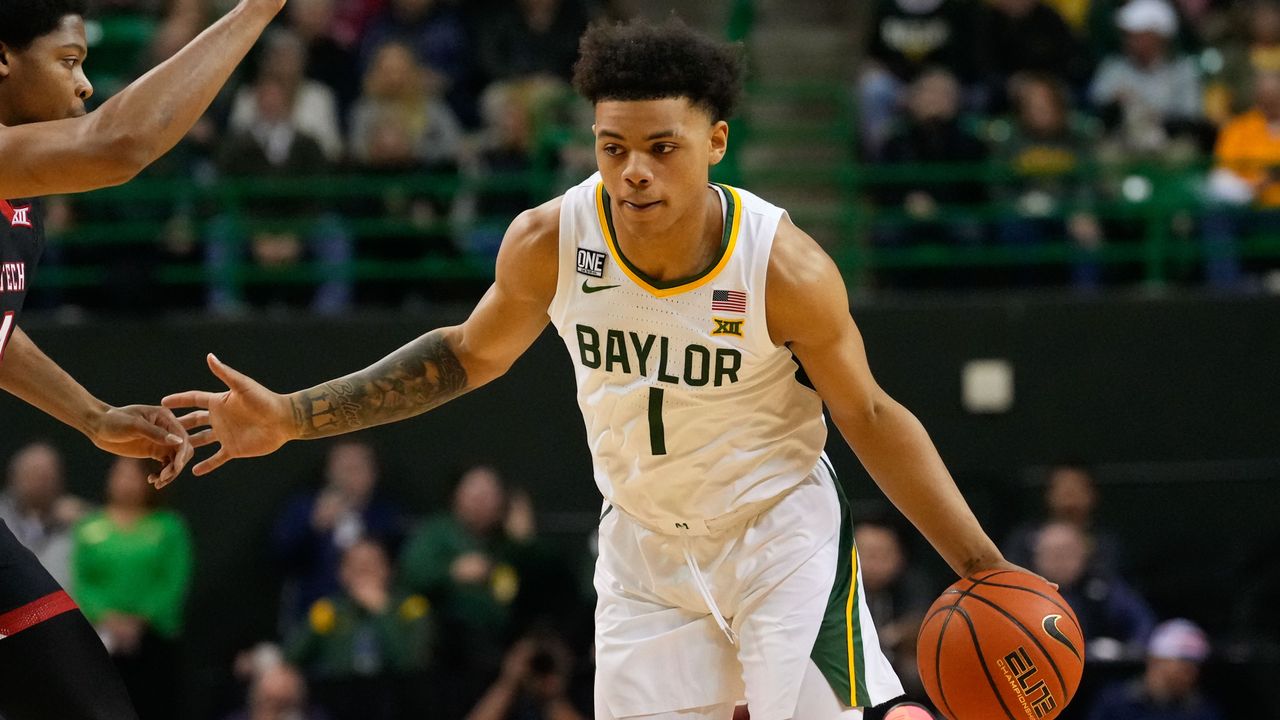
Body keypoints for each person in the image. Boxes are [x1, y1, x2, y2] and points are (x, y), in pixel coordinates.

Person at [167, 17, 1035, 720]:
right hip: (643, 550)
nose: (634, 172)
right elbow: (465, 354)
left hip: (775, 535)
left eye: (662, 147)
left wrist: (983, 567)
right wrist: (293, 415)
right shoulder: (550, 239)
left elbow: (869, 414)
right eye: (613, 147)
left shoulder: (783, 267)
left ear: (716, 141)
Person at [0, 0, 286, 717]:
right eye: (68, 62)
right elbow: (119, 144)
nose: (84, 84)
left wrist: (93, 416)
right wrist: (256, 10)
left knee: (85, 696)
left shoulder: (20, 193)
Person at [70, 457, 195, 720]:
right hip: (101, 637)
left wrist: (140, 619)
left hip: (153, 638)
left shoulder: (169, 527)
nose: (125, 482)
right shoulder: (90, 527)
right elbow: (82, 580)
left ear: (149, 480)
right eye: (120, 474)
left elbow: (173, 581)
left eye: (132, 475)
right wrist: (106, 616)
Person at [1087, 618, 1225, 720]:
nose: (1190, 671)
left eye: (1195, 665)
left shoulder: (1203, 713)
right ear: (1156, 660)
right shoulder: (1115, 703)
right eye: (1183, 662)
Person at [0, 440, 88, 587]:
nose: (39, 482)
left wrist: (85, 518)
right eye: (33, 473)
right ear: (13, 476)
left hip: (57, 596)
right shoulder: (2, 515)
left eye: (46, 476)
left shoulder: (75, 519)